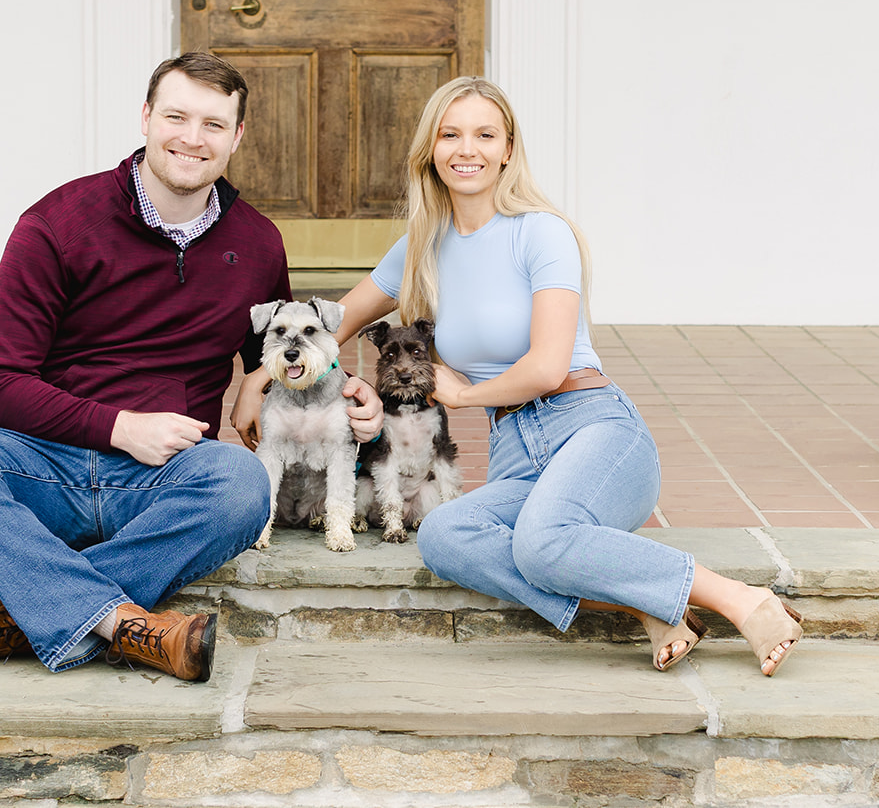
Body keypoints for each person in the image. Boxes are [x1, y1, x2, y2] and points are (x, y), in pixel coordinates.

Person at [232, 76, 804, 676]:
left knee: (542, 541)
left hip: (592, 428)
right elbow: (337, 322)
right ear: (430, 149)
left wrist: (462, 392)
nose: (466, 149)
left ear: (508, 148)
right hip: (515, 450)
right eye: (449, 134)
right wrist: (259, 379)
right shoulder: (420, 247)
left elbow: (548, 366)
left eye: (485, 134)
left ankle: (745, 601)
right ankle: (646, 602)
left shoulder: (542, 232)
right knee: (445, 537)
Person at [0, 53, 384, 682]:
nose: (192, 137)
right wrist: (119, 427)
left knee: (241, 484)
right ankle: (125, 626)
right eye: (176, 116)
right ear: (146, 118)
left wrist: (344, 388)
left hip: (167, 482)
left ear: (237, 137)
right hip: (45, 465)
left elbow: (283, 350)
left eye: (213, 124)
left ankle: (11, 621)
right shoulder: (57, 223)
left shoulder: (258, 241)